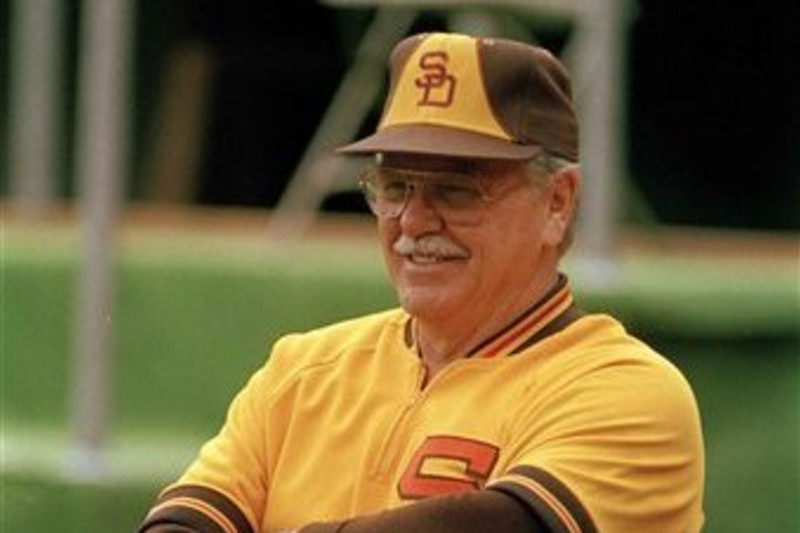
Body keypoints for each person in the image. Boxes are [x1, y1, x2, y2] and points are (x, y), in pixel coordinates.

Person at [138, 32, 705, 533]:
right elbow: (185, 520)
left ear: (558, 203)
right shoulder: (302, 370)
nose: (413, 220)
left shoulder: (628, 392)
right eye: (395, 186)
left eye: (456, 189)